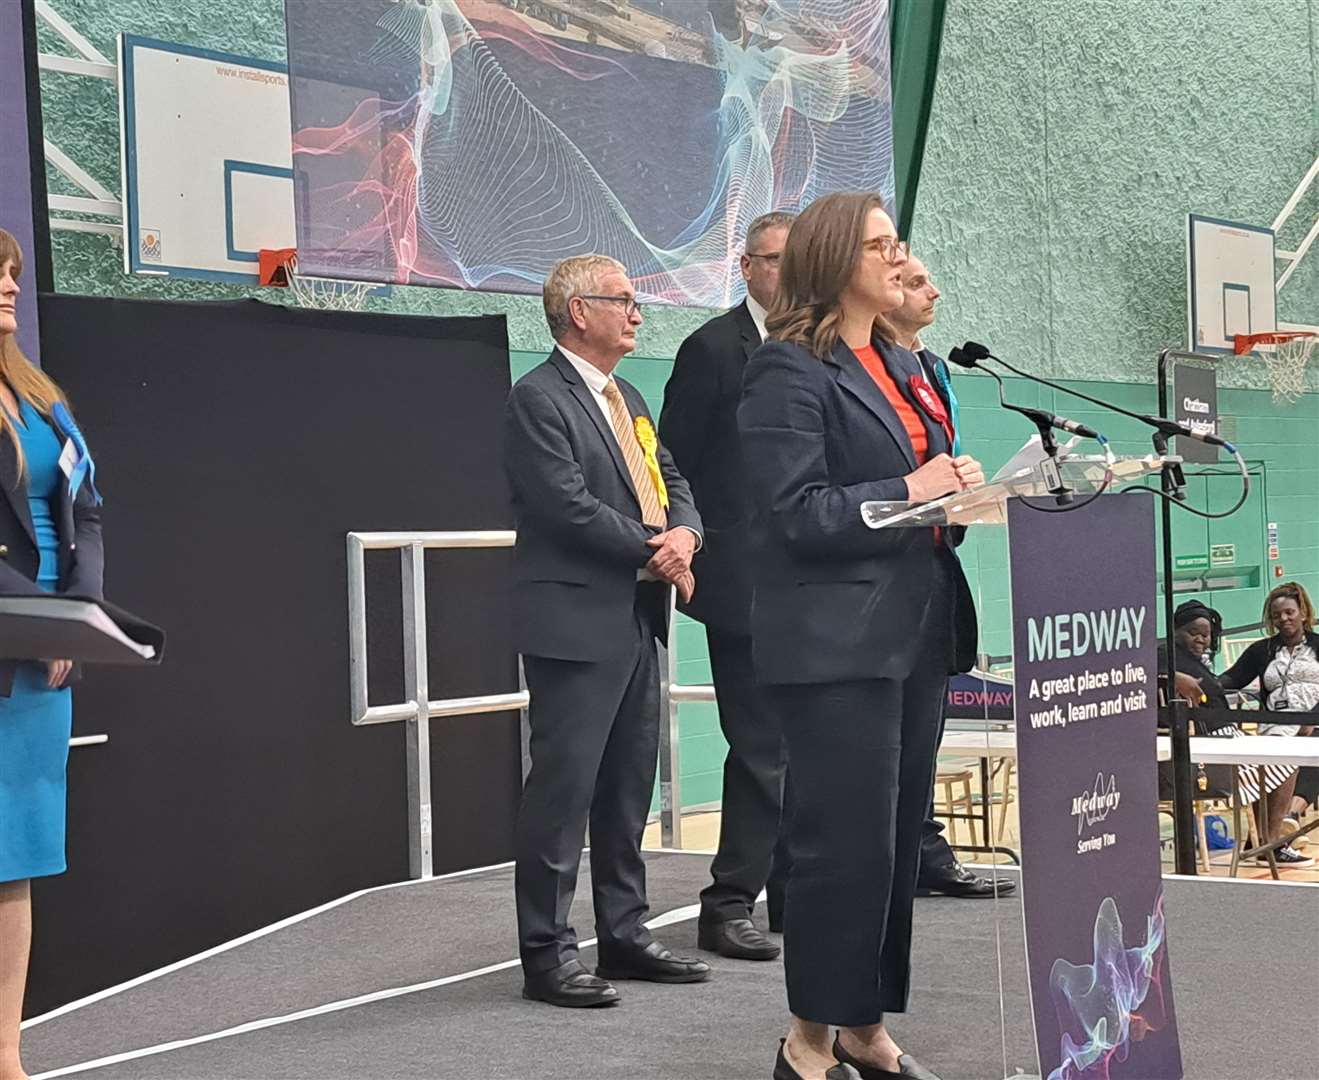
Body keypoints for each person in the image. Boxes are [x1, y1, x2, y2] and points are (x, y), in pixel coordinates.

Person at [739, 193, 983, 1080]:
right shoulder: (787, 370)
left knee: (892, 842)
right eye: (880, 245)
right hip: (833, 640)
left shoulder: (897, 359)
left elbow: (914, 492)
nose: (897, 258)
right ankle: (805, 1039)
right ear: (837, 259)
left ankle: (862, 1024)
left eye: (898, 241)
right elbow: (791, 513)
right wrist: (915, 491)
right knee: (839, 844)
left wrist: (955, 498)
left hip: (915, 627)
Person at [505, 254, 709, 1009]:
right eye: (622, 300)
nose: (636, 313)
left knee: (627, 788)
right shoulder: (538, 398)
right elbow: (562, 504)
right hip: (573, 620)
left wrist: (685, 533)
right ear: (576, 310)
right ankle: (547, 956)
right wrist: (654, 547)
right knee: (563, 792)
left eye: (635, 300)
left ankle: (622, 935)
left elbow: (671, 481)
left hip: (636, 615)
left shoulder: (626, 393)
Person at [659, 211, 795, 960]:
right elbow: (671, 463)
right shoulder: (711, 348)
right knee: (757, 746)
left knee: (801, 744)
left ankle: (788, 893)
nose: (787, 275)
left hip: (814, 579)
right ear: (746, 267)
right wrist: (694, 545)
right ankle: (729, 902)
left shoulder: (821, 348)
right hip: (742, 579)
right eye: (773, 261)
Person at [0, 227, 105, 1080]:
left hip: (35, 661)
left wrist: (76, 610)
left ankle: (5, 1047)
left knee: (16, 855)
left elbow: (87, 509)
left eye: (11, 276)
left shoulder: (42, 396)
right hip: (10, 623)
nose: (8, 290)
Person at [888, 253, 1015, 900]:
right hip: (878, 578)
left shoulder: (932, 367)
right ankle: (888, 856)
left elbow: (944, 452)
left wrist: (965, 484)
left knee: (923, 734)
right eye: (914, 282)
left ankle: (922, 847)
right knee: (887, 738)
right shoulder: (855, 368)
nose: (933, 291)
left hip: (935, 560)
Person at [1160, 599, 1305, 864]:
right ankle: (1269, 844)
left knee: (1284, 750)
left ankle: (1263, 840)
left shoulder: (1190, 661)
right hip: (1208, 756)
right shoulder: (1163, 657)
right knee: (1287, 759)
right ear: (1175, 631)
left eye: (1206, 635)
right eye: (1193, 633)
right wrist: (1173, 677)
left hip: (1222, 742)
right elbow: (1134, 669)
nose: (1201, 640)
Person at [1220, 582, 1319, 857]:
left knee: (1304, 745)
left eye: (1289, 612)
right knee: (1265, 751)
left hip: (1313, 723)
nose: (1283, 619)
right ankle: (1267, 838)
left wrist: (1310, 718)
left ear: (1303, 613)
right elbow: (1230, 679)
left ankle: (1279, 828)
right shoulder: (1261, 651)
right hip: (1274, 724)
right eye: (1277, 616)